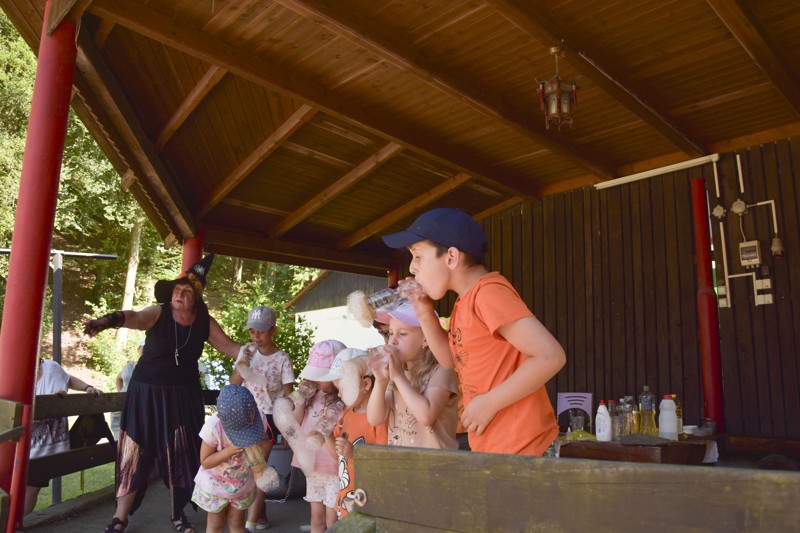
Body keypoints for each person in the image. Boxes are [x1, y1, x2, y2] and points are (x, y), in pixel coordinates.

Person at [382, 207, 566, 455]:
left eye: (418, 256)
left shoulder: (488, 293)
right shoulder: (463, 304)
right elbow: (449, 360)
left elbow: (550, 356)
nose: (413, 269)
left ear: (451, 257)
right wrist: (424, 311)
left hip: (524, 447)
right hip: (496, 447)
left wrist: (490, 403)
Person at [83, 254, 241, 533]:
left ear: (196, 298)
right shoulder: (159, 312)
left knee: (180, 454)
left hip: (182, 397)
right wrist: (108, 320)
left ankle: (178, 515)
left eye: (186, 292)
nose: (179, 294)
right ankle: (120, 518)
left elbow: (231, 348)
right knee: (134, 450)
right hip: (146, 395)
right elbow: (137, 318)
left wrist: (259, 352)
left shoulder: (204, 322)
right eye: (177, 290)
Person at [230, 305, 295, 532]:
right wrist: (243, 362)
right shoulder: (247, 352)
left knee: (258, 470)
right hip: (245, 413)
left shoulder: (282, 358)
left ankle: (249, 524)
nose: (256, 336)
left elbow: (289, 395)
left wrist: (289, 430)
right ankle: (260, 515)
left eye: (261, 331)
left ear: (273, 330)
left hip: (267, 418)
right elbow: (233, 384)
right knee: (245, 468)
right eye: (252, 331)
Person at [367, 302, 458, 449]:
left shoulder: (442, 370)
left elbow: (426, 417)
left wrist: (399, 377)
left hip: (435, 462)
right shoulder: (397, 372)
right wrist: (380, 382)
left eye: (402, 334)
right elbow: (375, 419)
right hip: (401, 462)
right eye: (391, 333)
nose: (392, 341)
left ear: (426, 339)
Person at [25, 357, 101, 515]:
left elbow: (68, 379)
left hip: (46, 449)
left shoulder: (51, 367)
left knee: (31, 488)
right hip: (22, 445)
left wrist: (87, 387)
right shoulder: (12, 374)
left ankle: (15, 523)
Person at [192, 384, 272, 533]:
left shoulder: (258, 418)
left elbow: (265, 441)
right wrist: (228, 451)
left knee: (237, 522)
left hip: (242, 484)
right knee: (216, 524)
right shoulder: (213, 427)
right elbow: (205, 461)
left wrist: (260, 464)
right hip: (215, 485)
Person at [319, 348, 388, 519]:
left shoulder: (379, 418)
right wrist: (327, 433)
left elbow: (384, 460)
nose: (339, 394)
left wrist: (354, 453)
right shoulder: (345, 414)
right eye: (337, 389)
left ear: (366, 384)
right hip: (346, 498)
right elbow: (337, 456)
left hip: (369, 501)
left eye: (343, 388)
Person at [290, 339, 346, 533]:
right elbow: (294, 424)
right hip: (312, 466)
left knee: (333, 517)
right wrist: (301, 400)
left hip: (333, 467)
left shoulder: (343, 398)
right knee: (316, 515)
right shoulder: (312, 395)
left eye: (321, 376)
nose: (316, 380)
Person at [110, 340, 142, 440]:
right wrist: (120, 392)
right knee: (118, 434)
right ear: (138, 350)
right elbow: (118, 378)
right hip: (121, 406)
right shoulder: (129, 367)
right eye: (143, 348)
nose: (145, 351)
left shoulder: (154, 368)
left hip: (138, 407)